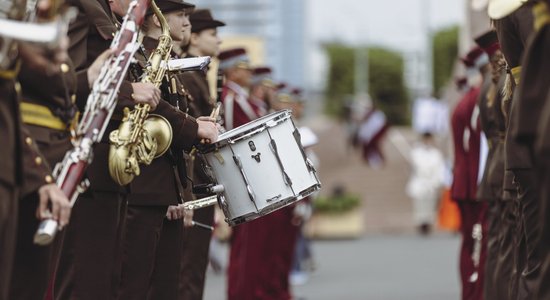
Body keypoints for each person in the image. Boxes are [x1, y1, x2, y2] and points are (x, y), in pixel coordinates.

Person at [52, 0, 162, 298]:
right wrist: (129, 91)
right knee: (83, 282)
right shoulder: (81, 7)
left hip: (109, 169)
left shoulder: (107, 14)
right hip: (86, 170)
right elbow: (62, 82)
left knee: (105, 283)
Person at [115, 1, 218, 299]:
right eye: (181, 15)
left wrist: (180, 195)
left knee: (165, 288)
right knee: (133, 286)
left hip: (166, 190)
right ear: (154, 17)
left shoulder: (166, 58)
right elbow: (150, 109)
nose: (187, 23)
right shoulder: (138, 54)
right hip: (142, 189)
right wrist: (192, 127)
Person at [176, 8, 225, 300]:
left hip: (198, 183)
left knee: (193, 268)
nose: (219, 41)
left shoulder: (199, 75)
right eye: (213, 35)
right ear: (194, 38)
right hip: (191, 185)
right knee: (187, 270)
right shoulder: (187, 73)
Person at [492, 2, 539, 298]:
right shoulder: (520, 11)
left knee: (527, 255)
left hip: (525, 144)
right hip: (535, 141)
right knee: (537, 261)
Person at [472, 29, 508, 299]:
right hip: (504, 166)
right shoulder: (499, 80)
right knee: (505, 247)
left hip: (495, 165)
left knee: (498, 245)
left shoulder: (487, 82)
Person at [450, 46, 488, 300]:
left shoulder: (466, 101)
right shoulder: (478, 98)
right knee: (479, 244)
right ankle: (474, 293)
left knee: (469, 243)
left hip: (466, 181)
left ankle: (470, 291)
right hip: (476, 182)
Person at [406, 132, 445, 235]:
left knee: (430, 204)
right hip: (420, 180)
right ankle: (420, 223)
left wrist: (438, 182)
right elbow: (414, 166)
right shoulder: (416, 152)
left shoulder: (436, 153)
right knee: (419, 204)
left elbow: (439, 169)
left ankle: (428, 223)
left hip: (431, 182)